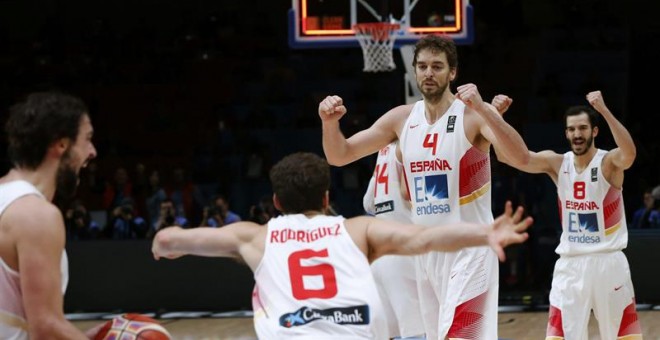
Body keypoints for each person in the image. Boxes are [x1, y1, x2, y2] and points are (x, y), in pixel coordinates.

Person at [151, 152, 533, 339]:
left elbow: (169, 239)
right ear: (327, 196)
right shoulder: (357, 230)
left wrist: (165, 245)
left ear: (277, 203)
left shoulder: (255, 236)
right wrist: (483, 234)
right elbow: (424, 238)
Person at [318, 34, 530, 339]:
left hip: (470, 250)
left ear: (453, 72)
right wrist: (329, 123)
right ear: (414, 71)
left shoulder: (472, 115)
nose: (428, 73)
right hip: (427, 255)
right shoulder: (402, 119)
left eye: (437, 66)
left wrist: (486, 110)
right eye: (422, 66)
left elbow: (519, 158)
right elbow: (340, 155)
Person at [496, 91, 643, 338]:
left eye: (583, 128)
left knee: (623, 336)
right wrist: (495, 118)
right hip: (571, 265)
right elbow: (509, 157)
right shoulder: (557, 163)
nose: (577, 134)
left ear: (594, 131)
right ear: (565, 133)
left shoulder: (608, 162)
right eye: (572, 129)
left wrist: (604, 110)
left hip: (608, 261)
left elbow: (629, 153)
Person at [0, 91, 102, 338]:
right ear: (61, 144)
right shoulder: (36, 215)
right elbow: (45, 328)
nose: (92, 151)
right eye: (87, 139)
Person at [362, 141, 424, 339]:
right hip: (404, 253)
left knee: (385, 334)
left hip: (379, 258)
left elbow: (368, 203)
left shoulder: (383, 150)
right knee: (416, 332)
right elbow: (410, 193)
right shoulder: (412, 142)